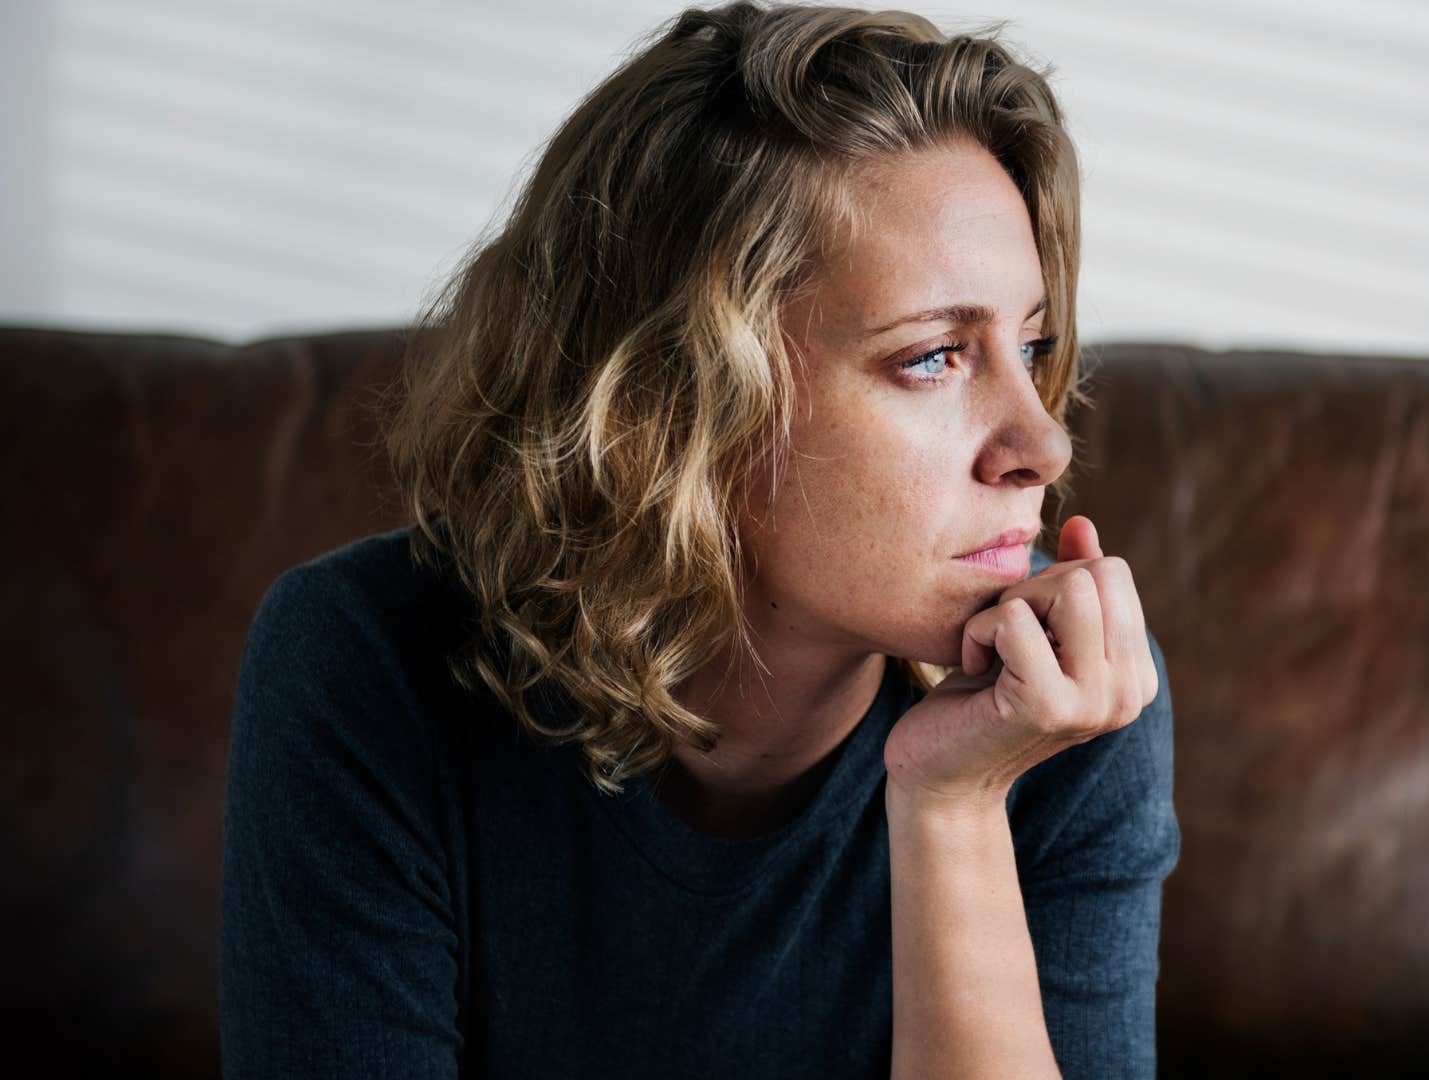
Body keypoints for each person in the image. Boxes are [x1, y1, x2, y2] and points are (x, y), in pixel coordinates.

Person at [217, 3, 1179, 1077]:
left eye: (1033, 342)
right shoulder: (366, 664)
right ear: (676, 403)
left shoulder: (1066, 702)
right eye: (932, 357)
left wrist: (951, 806)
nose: (1041, 442)